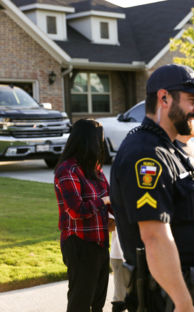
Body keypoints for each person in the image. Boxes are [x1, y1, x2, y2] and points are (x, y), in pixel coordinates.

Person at [110, 64, 194, 312]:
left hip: (183, 290)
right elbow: (154, 236)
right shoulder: (145, 153)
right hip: (162, 298)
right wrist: (183, 304)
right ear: (164, 98)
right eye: (192, 100)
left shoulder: (169, 148)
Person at [54, 119, 111, 312]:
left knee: (98, 302)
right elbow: (76, 210)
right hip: (79, 243)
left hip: (101, 243)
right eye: (100, 140)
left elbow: (113, 203)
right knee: (80, 302)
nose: (102, 144)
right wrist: (104, 202)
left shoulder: (96, 170)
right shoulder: (67, 170)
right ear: (89, 141)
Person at [108, 214, 127, 306]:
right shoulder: (115, 200)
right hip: (119, 256)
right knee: (120, 298)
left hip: (143, 253)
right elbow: (108, 226)